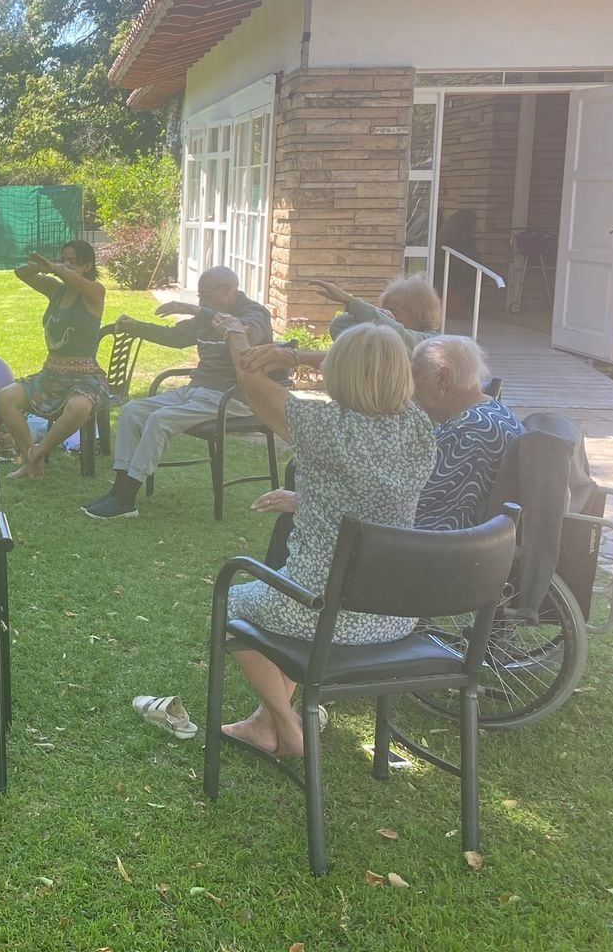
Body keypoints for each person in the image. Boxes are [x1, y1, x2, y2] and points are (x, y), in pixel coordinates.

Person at [218, 321, 436, 758]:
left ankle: (288, 724)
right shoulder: (419, 426)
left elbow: (248, 378)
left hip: (321, 610)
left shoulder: (320, 424)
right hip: (394, 614)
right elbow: (365, 500)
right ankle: (263, 725)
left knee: (233, 601)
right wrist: (293, 357)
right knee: (292, 605)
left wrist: (236, 333)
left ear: (337, 372)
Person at [81, 265, 278, 519]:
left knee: (160, 419)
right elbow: (175, 337)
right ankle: (118, 488)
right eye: (199, 297)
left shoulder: (255, 314)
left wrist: (197, 310)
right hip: (196, 390)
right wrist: (136, 326)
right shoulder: (209, 315)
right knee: (132, 410)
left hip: (235, 398)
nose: (201, 302)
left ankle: (127, 497)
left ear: (228, 290)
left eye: (205, 296)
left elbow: (240, 330)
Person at [0, 241, 109, 479]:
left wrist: (57, 269)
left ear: (88, 266)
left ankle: (35, 456)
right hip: (50, 374)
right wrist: (42, 266)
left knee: (79, 408)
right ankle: (33, 462)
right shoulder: (55, 290)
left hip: (86, 376)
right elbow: (21, 273)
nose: (66, 264)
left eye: (73, 261)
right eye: (63, 259)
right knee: (6, 396)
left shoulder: (95, 292)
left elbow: (76, 282)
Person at [410, 335, 524, 530]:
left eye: (416, 378)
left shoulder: (469, 430)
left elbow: (414, 496)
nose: (412, 389)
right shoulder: (492, 410)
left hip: (447, 542)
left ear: (443, 378)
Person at [314, 273, 441, 350]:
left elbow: (399, 334)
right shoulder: (380, 338)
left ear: (419, 315)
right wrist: (377, 312)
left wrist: (350, 301)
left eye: (394, 312)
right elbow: (338, 328)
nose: (388, 316)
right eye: (384, 310)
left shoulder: (431, 342)